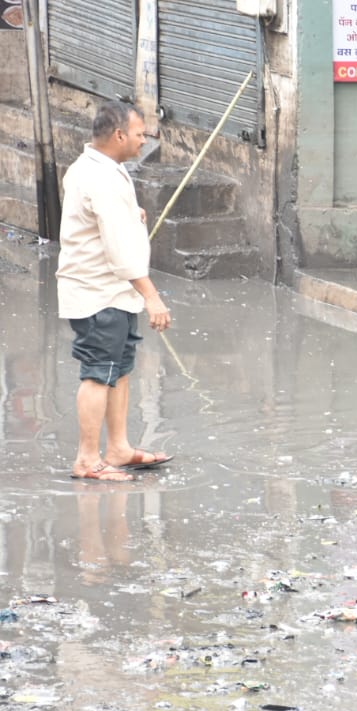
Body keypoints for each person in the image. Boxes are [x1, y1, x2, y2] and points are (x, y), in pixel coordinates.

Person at [58, 100, 173, 482]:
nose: (145, 140)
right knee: (99, 373)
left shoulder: (102, 168)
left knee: (119, 369)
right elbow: (120, 250)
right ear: (120, 135)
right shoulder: (101, 178)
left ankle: (119, 448)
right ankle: (87, 459)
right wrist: (152, 296)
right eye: (141, 134)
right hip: (98, 293)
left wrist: (131, 216)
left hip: (113, 292)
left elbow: (102, 221)